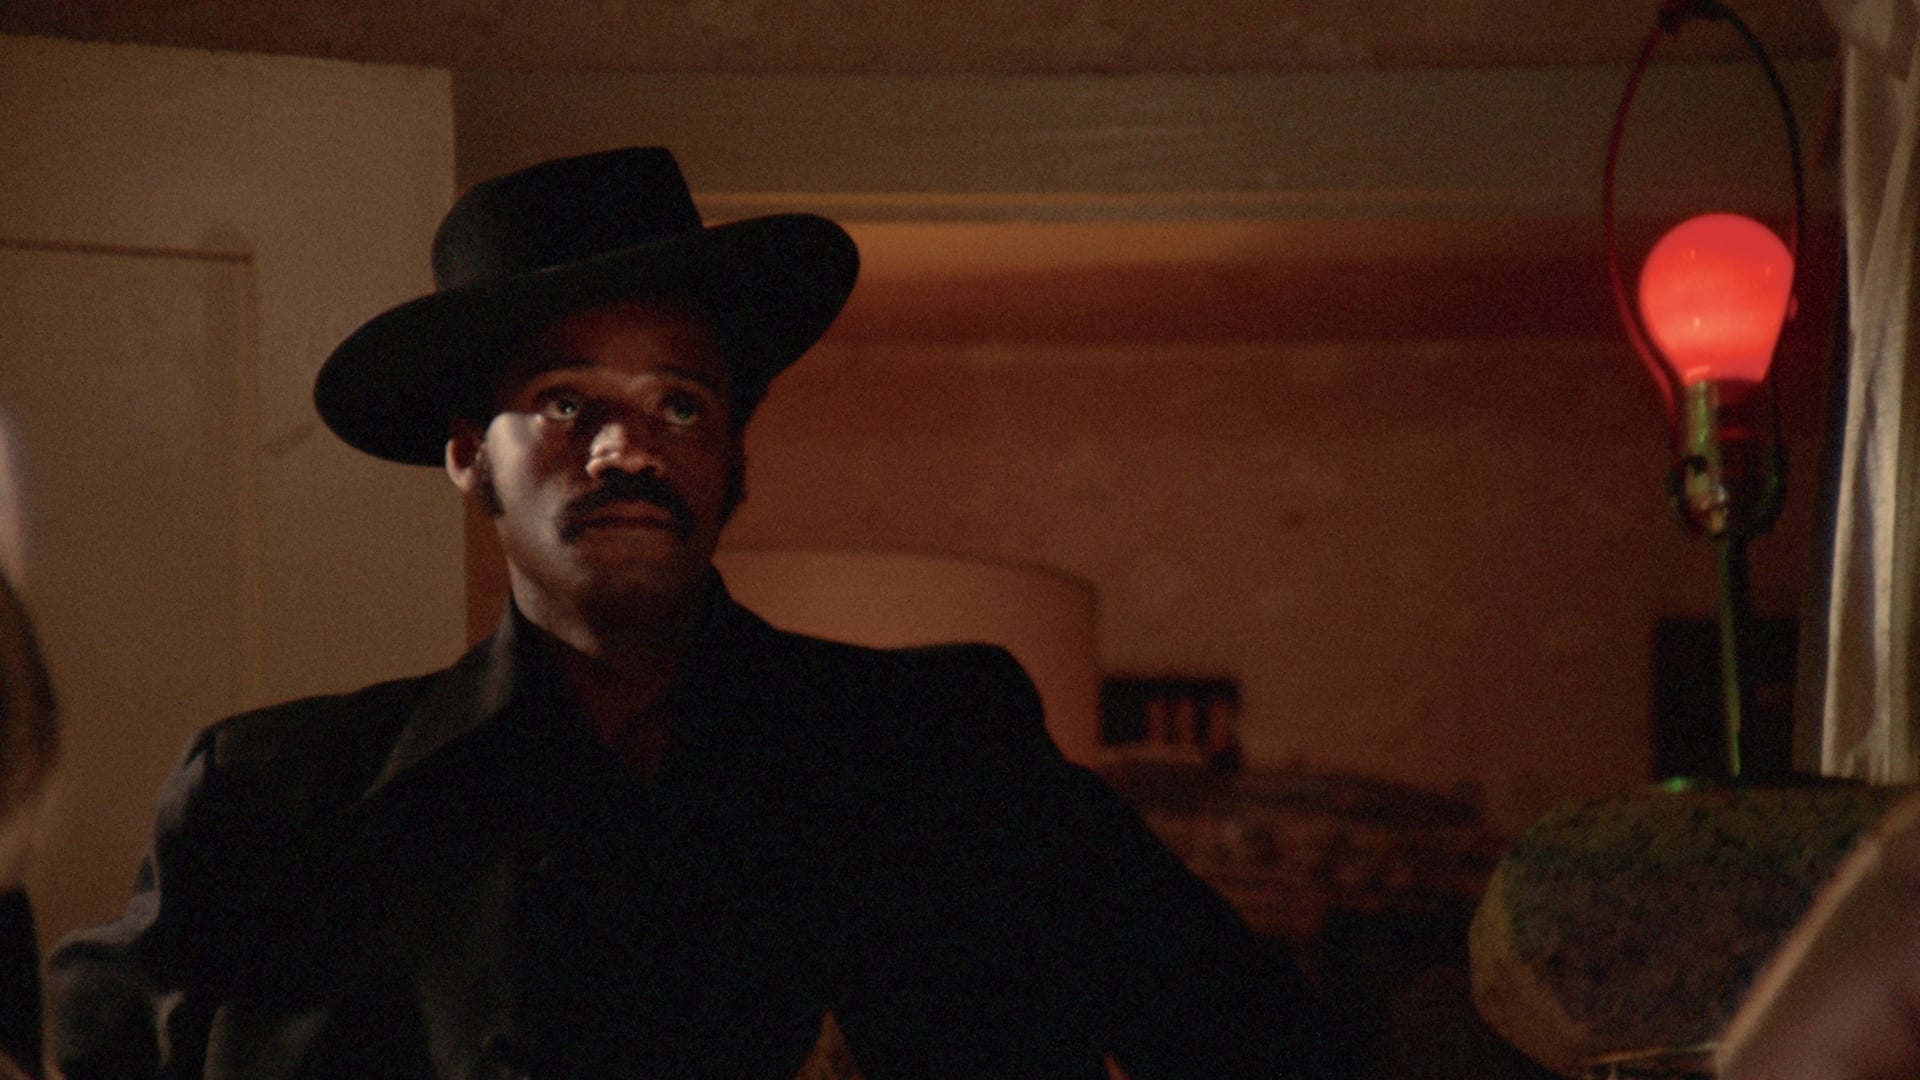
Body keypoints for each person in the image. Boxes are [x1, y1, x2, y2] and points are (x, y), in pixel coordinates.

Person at [47, 147, 1331, 1079]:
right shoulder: (274, 802)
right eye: (566, 402)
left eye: (681, 403)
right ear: (468, 453)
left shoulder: (942, 748)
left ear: (733, 455)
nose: (628, 448)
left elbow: (1255, 1038)